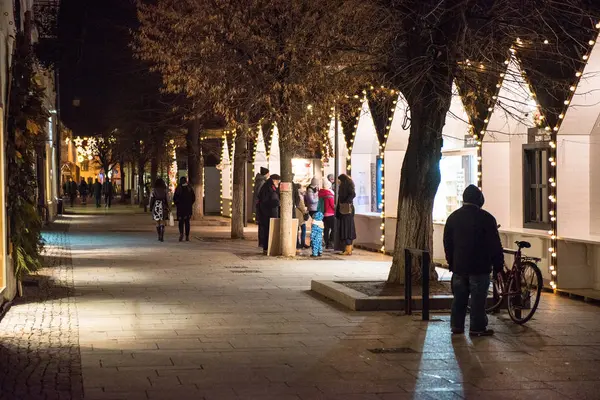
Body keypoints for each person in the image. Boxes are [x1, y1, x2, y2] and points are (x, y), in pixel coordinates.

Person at [444, 185, 504, 337]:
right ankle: (477, 327)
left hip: (459, 266)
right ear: (479, 200)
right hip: (480, 266)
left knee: (459, 299)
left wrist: (451, 262)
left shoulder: (453, 217)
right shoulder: (487, 218)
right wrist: (498, 265)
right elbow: (494, 245)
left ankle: (457, 326)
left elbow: (448, 243)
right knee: (478, 300)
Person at [257, 174, 281, 255]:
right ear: (274, 180)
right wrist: (277, 203)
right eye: (278, 181)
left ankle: (267, 247)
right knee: (268, 231)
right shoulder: (268, 188)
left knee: (268, 231)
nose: (278, 183)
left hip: (268, 213)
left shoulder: (269, 187)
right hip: (267, 213)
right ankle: (267, 248)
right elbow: (268, 200)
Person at [336, 174, 356, 255]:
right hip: (344, 211)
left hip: (346, 211)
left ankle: (348, 249)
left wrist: (346, 202)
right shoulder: (344, 187)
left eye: (339, 180)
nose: (338, 182)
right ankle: (347, 249)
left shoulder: (346, 188)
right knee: (346, 229)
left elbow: (352, 194)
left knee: (346, 229)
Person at [173, 176, 196, 242]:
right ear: (186, 181)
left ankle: (181, 234)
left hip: (180, 209)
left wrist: (177, 204)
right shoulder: (189, 188)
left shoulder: (178, 188)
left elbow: (175, 198)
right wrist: (190, 204)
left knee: (181, 222)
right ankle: (187, 236)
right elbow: (193, 198)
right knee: (187, 222)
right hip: (188, 208)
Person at [150, 178, 170, 242]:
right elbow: (167, 199)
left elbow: (151, 199)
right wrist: (168, 207)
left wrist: (151, 207)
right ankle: (162, 236)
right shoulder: (165, 190)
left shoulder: (153, 190)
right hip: (163, 205)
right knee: (162, 221)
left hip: (156, 205)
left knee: (157, 222)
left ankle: (159, 236)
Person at [253, 167, 269, 247]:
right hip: (261, 206)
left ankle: (261, 241)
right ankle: (262, 242)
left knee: (261, 224)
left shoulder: (259, 181)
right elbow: (260, 194)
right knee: (262, 225)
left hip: (259, 205)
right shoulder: (262, 182)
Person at [318, 181, 336, 249]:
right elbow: (332, 205)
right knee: (334, 229)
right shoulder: (329, 194)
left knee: (326, 229)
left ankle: (326, 243)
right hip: (330, 214)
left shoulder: (321, 193)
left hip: (324, 214)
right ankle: (331, 242)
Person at [294, 183, 309, 249]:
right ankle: (302, 243)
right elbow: (302, 206)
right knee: (303, 228)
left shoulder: (294, 195)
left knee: (296, 229)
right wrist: (305, 212)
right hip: (299, 214)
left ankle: (297, 243)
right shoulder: (299, 196)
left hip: (295, 214)